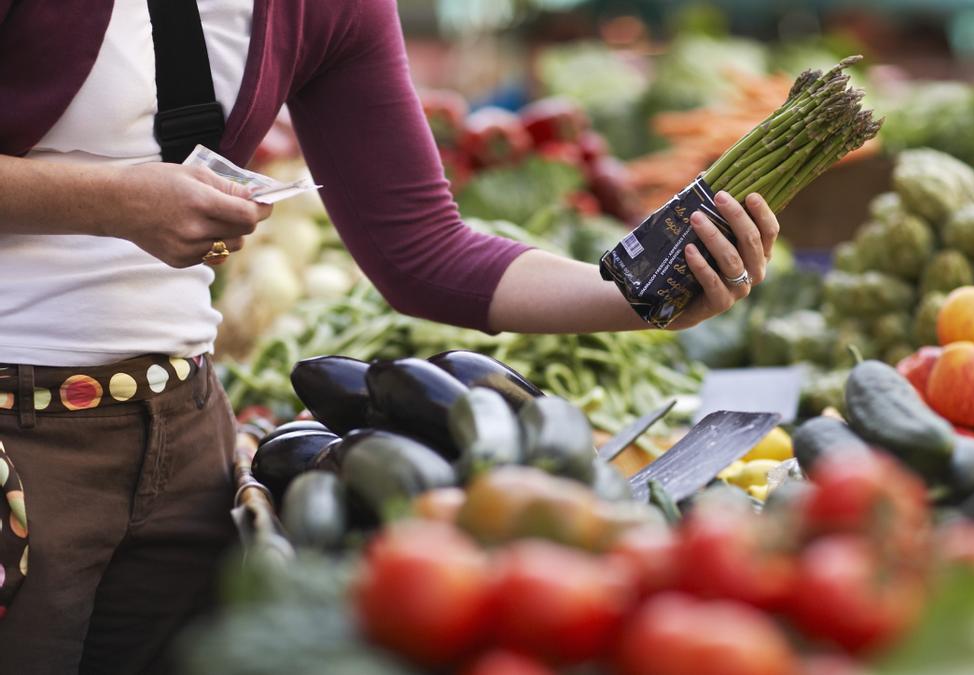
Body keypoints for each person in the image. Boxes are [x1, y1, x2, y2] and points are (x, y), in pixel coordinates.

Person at [0, 0, 780, 672]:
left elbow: (422, 249)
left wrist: (645, 300)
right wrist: (109, 200)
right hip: (19, 445)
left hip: (187, 443)